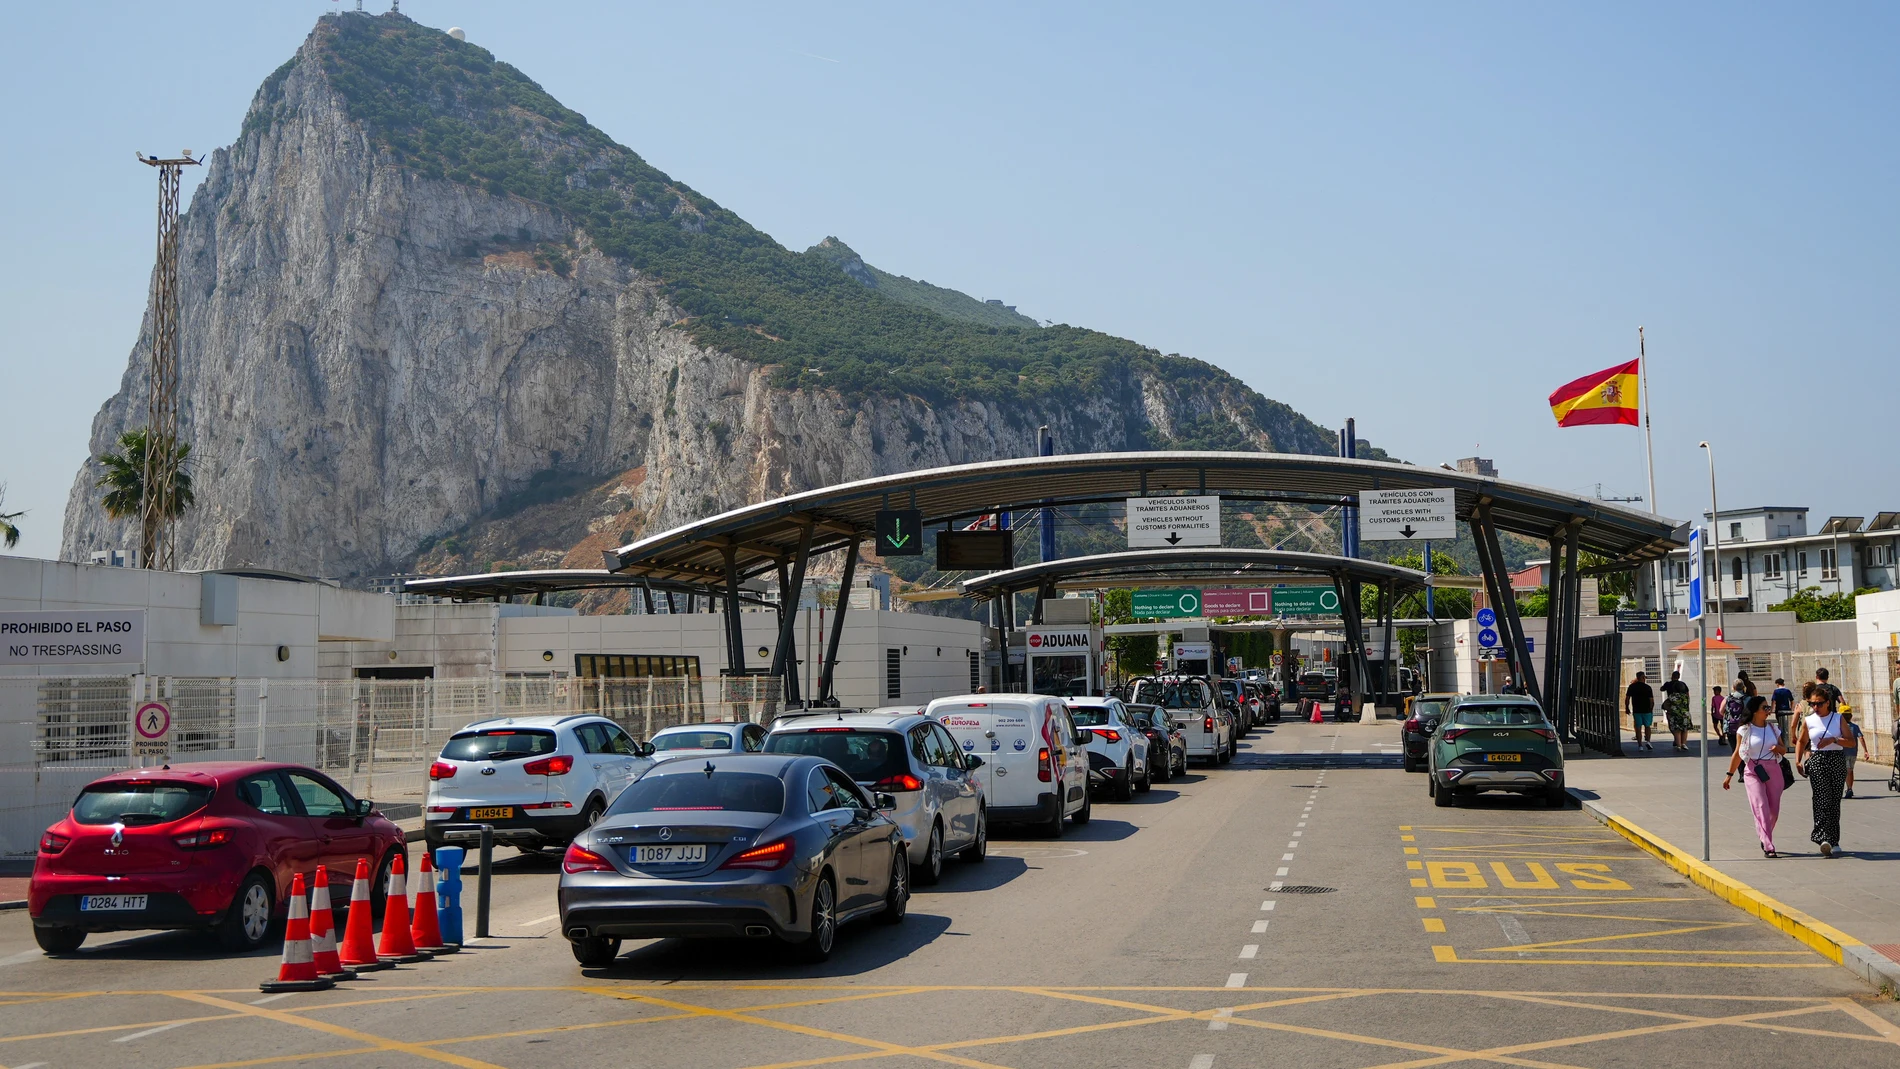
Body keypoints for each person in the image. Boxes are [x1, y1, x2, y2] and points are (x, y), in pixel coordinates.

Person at [1794, 682, 1855, 857]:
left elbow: (1850, 741)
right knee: (1821, 798)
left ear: (1828, 702)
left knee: (1834, 800)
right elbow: (1801, 740)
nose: (1816, 707)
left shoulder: (1838, 719)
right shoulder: (1809, 720)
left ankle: (1834, 839)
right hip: (1818, 760)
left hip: (1836, 759)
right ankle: (1823, 838)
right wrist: (1798, 761)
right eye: (1813, 703)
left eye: (1819, 703)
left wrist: (1833, 740)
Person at [1722, 696, 1787, 857]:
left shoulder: (1773, 728)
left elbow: (1784, 749)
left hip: (1773, 770)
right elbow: (1737, 753)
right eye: (1764, 708)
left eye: (1768, 708)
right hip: (1753, 770)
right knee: (1760, 806)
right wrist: (1729, 775)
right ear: (1755, 710)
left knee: (1774, 810)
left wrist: (1777, 748)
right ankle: (1768, 845)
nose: (1768, 710)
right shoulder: (1744, 730)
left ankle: (1765, 835)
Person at [1661, 670, 1692, 750]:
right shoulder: (1685, 694)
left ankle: (1678, 744)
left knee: (1676, 729)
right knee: (1684, 729)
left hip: (1674, 713)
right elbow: (1688, 696)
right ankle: (1683, 744)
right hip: (1685, 712)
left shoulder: (1671, 693)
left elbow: (1662, 691)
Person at [1624, 672, 1656, 751]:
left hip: (1637, 710)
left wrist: (1627, 707)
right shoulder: (1648, 687)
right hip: (1647, 710)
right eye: (1644, 677)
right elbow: (1651, 700)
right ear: (1642, 677)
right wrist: (1651, 709)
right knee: (1647, 726)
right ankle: (1648, 741)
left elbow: (1627, 698)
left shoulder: (1632, 687)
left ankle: (1640, 745)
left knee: (1638, 727)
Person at [1841, 711, 1866, 798]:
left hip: (1842, 752)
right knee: (1850, 770)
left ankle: (1848, 789)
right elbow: (1861, 738)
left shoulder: (1840, 727)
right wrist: (1865, 750)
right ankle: (1849, 788)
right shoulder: (1855, 727)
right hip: (1853, 752)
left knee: (1845, 771)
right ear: (1851, 716)